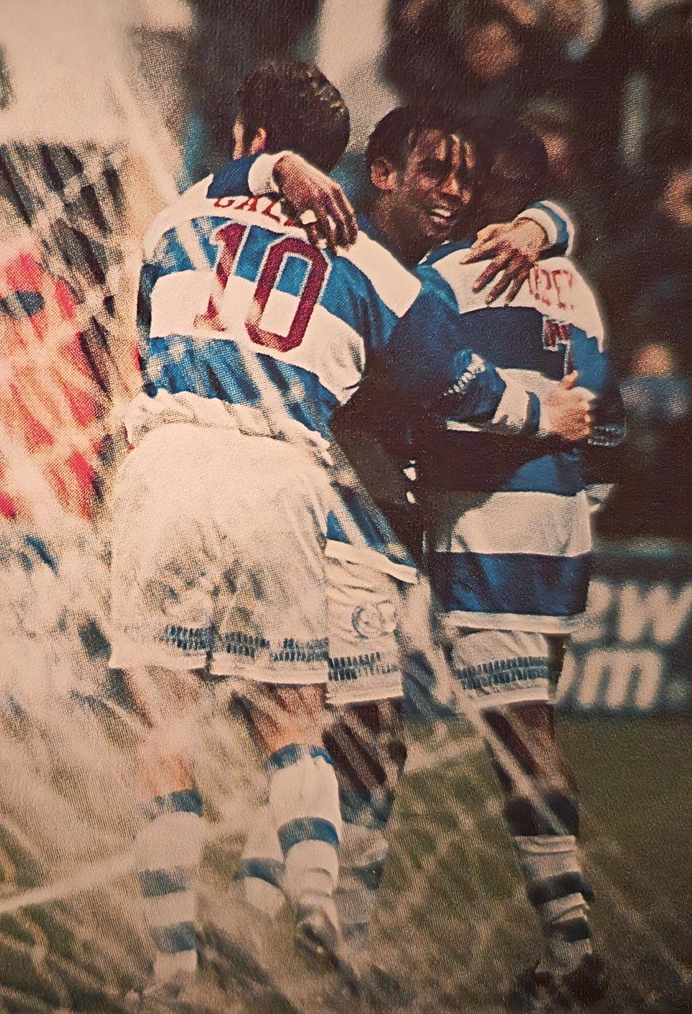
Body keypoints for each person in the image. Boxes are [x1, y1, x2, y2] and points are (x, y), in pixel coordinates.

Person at [108, 67, 593, 998]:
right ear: (349, 165)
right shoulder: (371, 266)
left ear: (251, 133)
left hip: (167, 458)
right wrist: (546, 413)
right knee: (297, 726)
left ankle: (171, 964)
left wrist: (259, 178)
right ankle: (322, 909)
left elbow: (144, 333)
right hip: (286, 478)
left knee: (165, 727)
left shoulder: (179, 216)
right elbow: (465, 387)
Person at [409, 121, 622, 1008]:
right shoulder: (578, 283)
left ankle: (572, 950)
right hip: (565, 520)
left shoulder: (449, 277)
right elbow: (607, 420)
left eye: (466, 181)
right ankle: (564, 944)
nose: (452, 195)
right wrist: (581, 506)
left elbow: (435, 396)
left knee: (518, 734)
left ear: (498, 194)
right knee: (534, 722)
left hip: (490, 522)